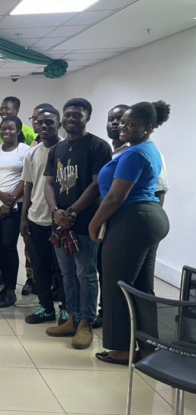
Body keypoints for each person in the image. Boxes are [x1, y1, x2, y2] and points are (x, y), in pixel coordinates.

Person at [91, 101, 171, 365]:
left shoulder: (134, 154)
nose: (123, 127)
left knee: (116, 285)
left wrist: (94, 224)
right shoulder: (148, 149)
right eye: (122, 122)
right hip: (149, 220)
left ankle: (122, 349)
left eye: (130, 124)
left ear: (148, 127)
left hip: (131, 221)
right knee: (142, 288)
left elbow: (115, 197)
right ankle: (148, 349)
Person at [43, 98, 111, 350]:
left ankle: (85, 323)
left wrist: (71, 211)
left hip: (85, 222)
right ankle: (72, 317)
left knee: (86, 274)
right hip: (60, 223)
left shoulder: (98, 147)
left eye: (77, 115)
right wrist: (55, 211)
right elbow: (49, 182)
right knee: (67, 273)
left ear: (87, 118)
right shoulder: (57, 150)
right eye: (68, 114)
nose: (71, 118)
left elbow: (97, 184)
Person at [20, 108, 67, 325]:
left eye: (50, 122)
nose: (44, 126)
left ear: (59, 124)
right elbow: (28, 186)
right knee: (40, 266)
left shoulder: (67, 149)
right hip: (36, 217)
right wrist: (24, 217)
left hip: (60, 220)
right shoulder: (33, 153)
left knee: (63, 268)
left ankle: (66, 309)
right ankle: (46, 307)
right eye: (40, 122)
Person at [0, 116, 30, 309]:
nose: (6, 132)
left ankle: (10, 291)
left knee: (9, 246)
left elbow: (26, 178)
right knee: (1, 246)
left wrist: (10, 201)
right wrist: (1, 196)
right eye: (3, 129)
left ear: (18, 131)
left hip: (15, 206)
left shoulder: (24, 150)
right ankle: (5, 281)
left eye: (11, 129)